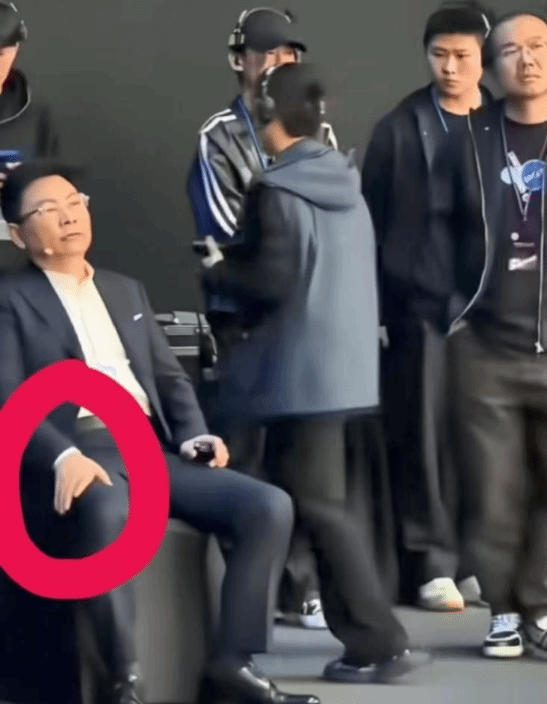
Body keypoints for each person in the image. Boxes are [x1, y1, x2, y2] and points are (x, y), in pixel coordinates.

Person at [0, 160, 319, 704]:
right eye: (49, 210)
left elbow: (170, 380)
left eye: (76, 203)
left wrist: (193, 435)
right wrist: (62, 457)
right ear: (16, 233)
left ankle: (232, 663)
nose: (69, 217)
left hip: (150, 447)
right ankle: (123, 679)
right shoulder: (9, 297)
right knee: (105, 511)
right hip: (84, 445)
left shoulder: (126, 291)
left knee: (268, 506)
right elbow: (8, 394)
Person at [201, 62, 430, 683]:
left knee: (319, 505)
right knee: (317, 501)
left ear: (269, 117)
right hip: (342, 373)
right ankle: (365, 637)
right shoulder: (343, 182)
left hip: (295, 377)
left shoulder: (275, 190)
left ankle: (380, 641)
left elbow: (270, 281)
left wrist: (218, 267)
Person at [187, 6, 337, 629]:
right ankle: (251, 592)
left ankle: (300, 586)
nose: (278, 63)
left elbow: (332, 218)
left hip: (307, 323)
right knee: (245, 459)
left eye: (288, 54)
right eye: (266, 53)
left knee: (301, 460)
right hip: (243, 321)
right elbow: (226, 240)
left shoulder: (317, 128)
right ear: (238, 60)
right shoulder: (217, 136)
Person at [415, 8, 547, 660]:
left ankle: (540, 603)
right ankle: (504, 611)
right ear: (493, 67)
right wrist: (454, 314)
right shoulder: (467, 142)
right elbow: (431, 236)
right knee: (494, 493)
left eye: (539, 46)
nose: (527, 59)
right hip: (485, 351)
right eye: (511, 51)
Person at [361, 0, 494, 611]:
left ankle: (476, 561)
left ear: (484, 58)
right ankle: (431, 562)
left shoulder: (508, 124)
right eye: (439, 55)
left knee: (485, 442)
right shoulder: (399, 128)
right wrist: (378, 312)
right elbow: (370, 225)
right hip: (420, 309)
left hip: (495, 312)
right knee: (423, 435)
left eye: (462, 56)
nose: (450, 67)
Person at [0, 2, 60, 250]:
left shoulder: (37, 116)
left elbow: (55, 193)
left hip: (15, 257)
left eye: (0, 54)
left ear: (15, 50)